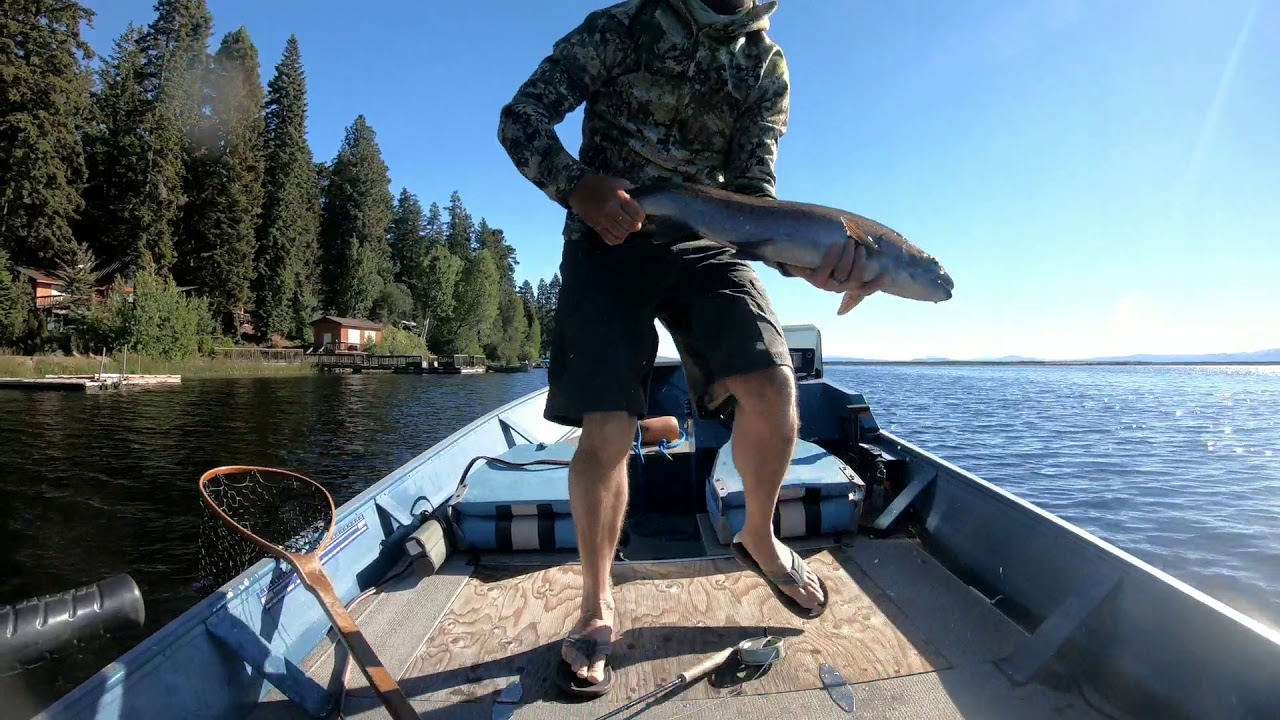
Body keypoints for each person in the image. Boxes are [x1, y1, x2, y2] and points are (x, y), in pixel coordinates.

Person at [497, 0, 884, 697]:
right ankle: (596, 604)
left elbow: (753, 197)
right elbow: (520, 120)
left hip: (709, 249)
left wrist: (810, 260)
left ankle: (759, 537)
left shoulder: (765, 65)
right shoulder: (620, 26)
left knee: (774, 391)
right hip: (606, 242)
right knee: (609, 428)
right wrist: (580, 188)